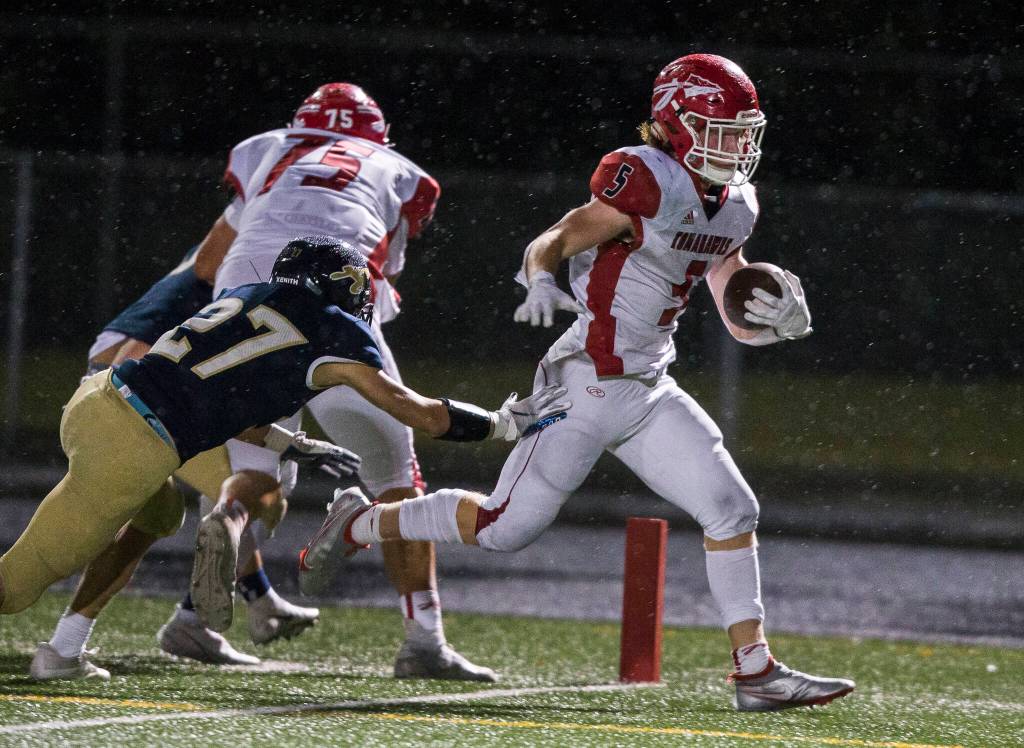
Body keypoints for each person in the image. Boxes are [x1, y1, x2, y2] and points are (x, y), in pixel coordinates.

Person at [298, 54, 856, 712]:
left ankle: (755, 672)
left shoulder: (736, 205)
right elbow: (558, 236)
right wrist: (539, 275)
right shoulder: (645, 178)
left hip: (649, 384)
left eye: (743, 131)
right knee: (506, 528)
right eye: (722, 129)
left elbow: (723, 282)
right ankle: (362, 521)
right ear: (678, 122)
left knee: (733, 508)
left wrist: (772, 315)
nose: (737, 145)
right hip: (584, 381)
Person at [0, 236, 568, 669]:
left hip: (102, 396)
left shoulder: (247, 295)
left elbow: (218, 405)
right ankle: (63, 642)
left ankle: (66, 646)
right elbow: (419, 412)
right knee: (17, 586)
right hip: (138, 443)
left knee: (187, 506)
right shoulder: (335, 333)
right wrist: (499, 425)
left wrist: (292, 443)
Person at [193, 81, 499, 681]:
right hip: (330, 312)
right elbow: (374, 280)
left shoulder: (268, 151)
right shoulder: (397, 170)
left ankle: (227, 523)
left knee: (253, 472)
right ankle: (424, 639)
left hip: (237, 307)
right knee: (396, 482)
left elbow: (206, 265)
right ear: (375, 135)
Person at [29, 242, 322, 682]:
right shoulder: (217, 282)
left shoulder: (240, 277)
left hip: (139, 391)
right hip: (124, 391)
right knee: (250, 485)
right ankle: (227, 608)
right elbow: (144, 359)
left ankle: (234, 605)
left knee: (198, 501)